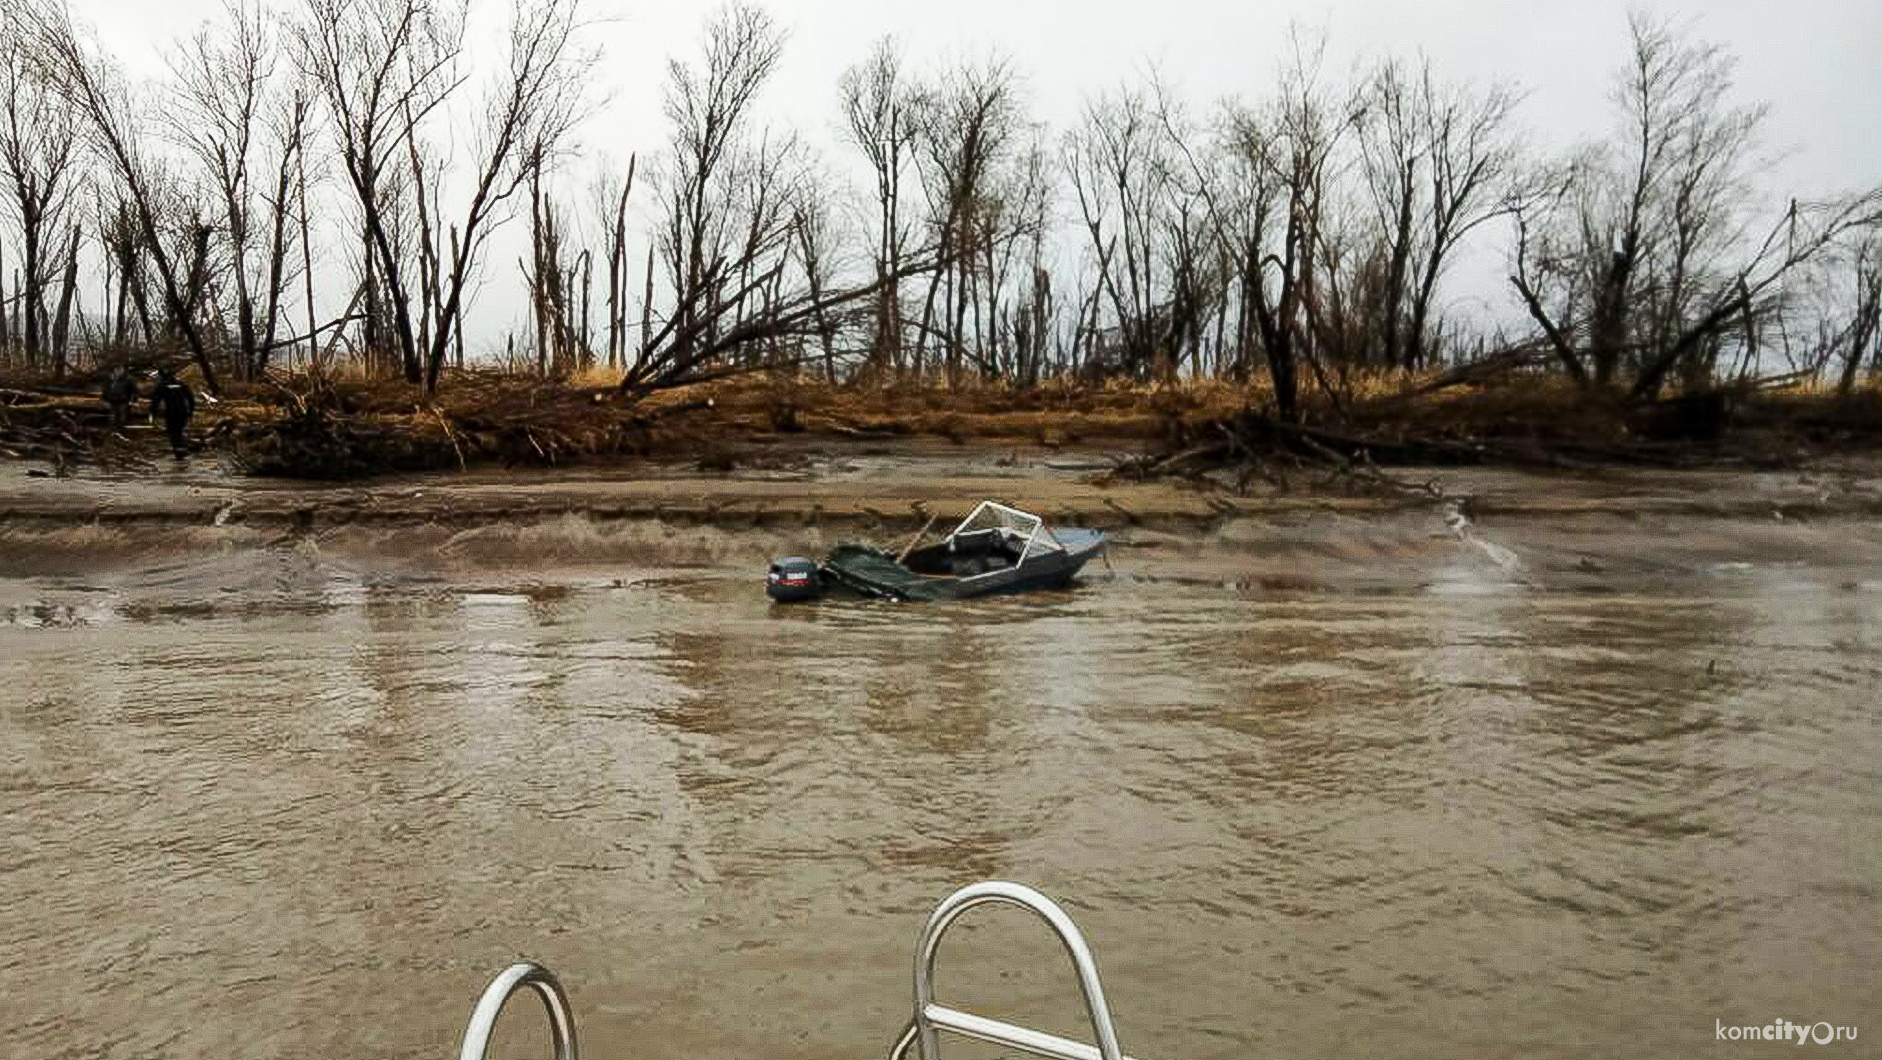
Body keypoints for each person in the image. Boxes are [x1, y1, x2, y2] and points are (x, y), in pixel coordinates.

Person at [149, 368, 196, 458]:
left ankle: (178, 451)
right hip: (183, 411)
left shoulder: (162, 386)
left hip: (171, 412)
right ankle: (182, 449)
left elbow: (155, 401)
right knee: (180, 430)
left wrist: (153, 414)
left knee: (173, 432)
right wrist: (191, 411)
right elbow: (191, 398)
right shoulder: (181, 384)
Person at [101, 366, 138, 431]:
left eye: (120, 370)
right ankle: (114, 430)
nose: (118, 372)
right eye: (116, 370)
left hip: (123, 400)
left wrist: (132, 400)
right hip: (112, 400)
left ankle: (122, 430)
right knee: (113, 416)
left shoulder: (128, 380)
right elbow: (106, 389)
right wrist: (104, 398)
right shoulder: (111, 380)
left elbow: (133, 391)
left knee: (122, 416)